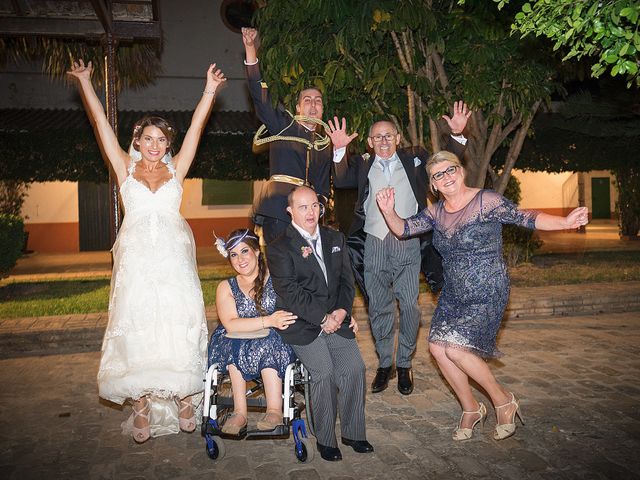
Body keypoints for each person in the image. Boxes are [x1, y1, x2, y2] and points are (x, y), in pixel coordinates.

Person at [375, 150, 589, 441]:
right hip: (454, 292)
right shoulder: (435, 212)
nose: (447, 177)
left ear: (461, 171)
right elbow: (404, 229)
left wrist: (564, 222)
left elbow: (524, 217)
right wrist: (388, 211)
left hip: (488, 287)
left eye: (450, 170)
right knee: (438, 349)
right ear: (433, 186)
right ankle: (471, 408)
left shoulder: (486, 201)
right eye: (438, 175)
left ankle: (503, 401)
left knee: (457, 349)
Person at [67, 59, 226, 443]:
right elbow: (102, 126)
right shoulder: (124, 169)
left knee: (178, 322)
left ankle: (186, 397)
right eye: (148, 139)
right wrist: (87, 83)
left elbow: (198, 130)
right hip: (137, 263)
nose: (155, 146)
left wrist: (209, 91)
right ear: (137, 141)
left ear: (167, 144)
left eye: (161, 139)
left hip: (174, 261)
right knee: (138, 329)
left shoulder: (177, 170)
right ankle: (140, 406)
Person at [330, 105, 470, 396]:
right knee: (379, 307)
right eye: (377, 137)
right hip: (374, 243)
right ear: (369, 142)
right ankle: (385, 364)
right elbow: (341, 179)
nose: (383, 141)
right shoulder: (362, 164)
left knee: (410, 306)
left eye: (388, 136)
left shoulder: (415, 159)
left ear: (397, 139)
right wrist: (340, 150)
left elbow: (445, 162)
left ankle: (404, 363)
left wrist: (457, 133)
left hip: (407, 241)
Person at [267, 186, 373, 461]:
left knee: (354, 368)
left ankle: (353, 433)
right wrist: (322, 318)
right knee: (323, 373)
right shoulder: (279, 247)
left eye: (314, 205)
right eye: (303, 207)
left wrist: (341, 311)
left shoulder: (334, 237)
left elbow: (346, 282)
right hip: (301, 324)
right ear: (290, 211)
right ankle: (326, 438)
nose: (310, 212)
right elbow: (290, 292)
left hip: (335, 319)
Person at [241, 27, 356, 244]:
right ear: (297, 108)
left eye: (318, 101)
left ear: (323, 109)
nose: (313, 105)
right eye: (307, 100)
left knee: (306, 269)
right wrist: (250, 50)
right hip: (279, 210)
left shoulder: (324, 143)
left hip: (308, 216)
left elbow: (323, 187)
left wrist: (318, 210)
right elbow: (260, 95)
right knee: (281, 269)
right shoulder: (282, 125)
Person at [208, 229, 297, 435]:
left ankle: (274, 409)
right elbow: (231, 324)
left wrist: (272, 323)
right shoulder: (226, 287)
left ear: (257, 252)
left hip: (271, 340)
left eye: (245, 251)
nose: (240, 259)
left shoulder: (275, 279)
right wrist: (268, 320)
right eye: (234, 255)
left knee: (270, 341)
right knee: (233, 342)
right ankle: (239, 412)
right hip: (238, 339)